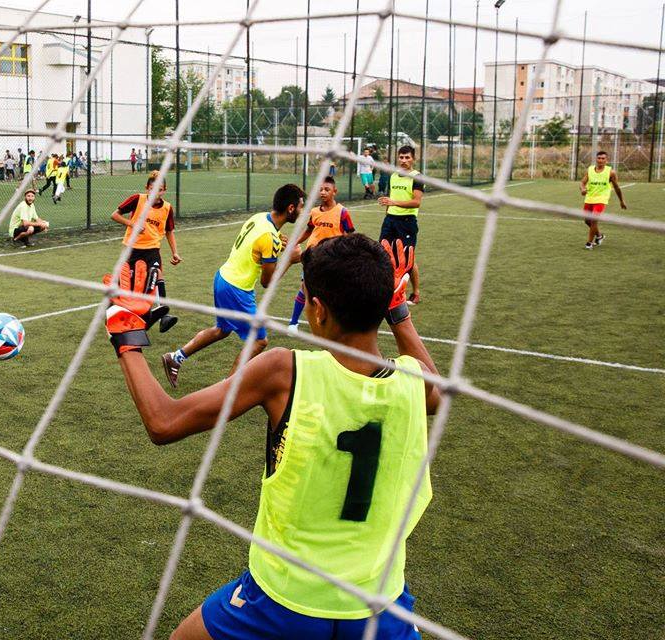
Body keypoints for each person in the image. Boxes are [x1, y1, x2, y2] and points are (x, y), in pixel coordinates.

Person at [104, 233, 439, 640]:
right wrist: (399, 314)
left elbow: (164, 421)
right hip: (380, 603)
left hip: (284, 600)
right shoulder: (412, 380)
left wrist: (127, 335)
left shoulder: (284, 370)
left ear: (317, 311)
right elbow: (436, 390)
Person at [162, 184, 305, 387]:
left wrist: (274, 248)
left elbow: (254, 247)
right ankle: (226, 389)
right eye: (301, 206)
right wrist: (290, 260)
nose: (302, 211)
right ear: (290, 208)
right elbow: (267, 282)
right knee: (259, 341)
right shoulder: (270, 237)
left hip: (223, 278)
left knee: (222, 329)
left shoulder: (260, 217)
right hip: (236, 289)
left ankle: (175, 357)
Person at [110, 170, 183, 334]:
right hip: (132, 249)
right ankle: (121, 315)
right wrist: (131, 224)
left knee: (157, 274)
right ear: (147, 188)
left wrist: (175, 252)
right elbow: (114, 215)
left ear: (164, 190)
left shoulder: (167, 208)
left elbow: (169, 231)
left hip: (152, 249)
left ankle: (164, 315)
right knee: (128, 286)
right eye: (152, 188)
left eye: (160, 189)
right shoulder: (137, 199)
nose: (156, 192)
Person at [288, 175, 354, 330]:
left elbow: (350, 235)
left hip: (333, 258)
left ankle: (338, 323)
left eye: (327, 189)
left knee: (335, 291)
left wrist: (347, 254)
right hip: (312, 257)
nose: (323, 192)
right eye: (320, 189)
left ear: (334, 191)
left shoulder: (342, 212)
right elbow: (309, 230)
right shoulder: (315, 212)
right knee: (305, 288)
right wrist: (295, 242)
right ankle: (293, 323)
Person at [378, 145, 424, 305]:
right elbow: (392, 199)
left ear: (413, 159)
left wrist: (393, 202)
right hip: (390, 220)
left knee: (407, 258)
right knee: (383, 254)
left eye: (407, 157)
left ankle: (416, 293)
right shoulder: (393, 176)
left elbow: (416, 202)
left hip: (407, 222)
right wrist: (388, 211)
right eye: (401, 157)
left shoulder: (417, 177)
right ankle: (388, 290)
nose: (404, 161)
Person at [580, 150, 626, 249]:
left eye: (603, 158)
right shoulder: (590, 170)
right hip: (589, 198)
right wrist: (583, 189)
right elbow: (582, 183)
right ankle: (599, 236)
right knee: (587, 221)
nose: (601, 160)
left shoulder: (611, 172)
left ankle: (589, 243)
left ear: (606, 160)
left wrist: (621, 201)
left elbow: (617, 187)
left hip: (601, 199)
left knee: (594, 220)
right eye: (599, 158)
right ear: (596, 159)